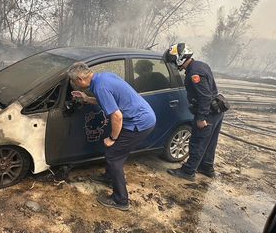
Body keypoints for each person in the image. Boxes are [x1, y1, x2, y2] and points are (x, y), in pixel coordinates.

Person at [67, 62, 156, 211]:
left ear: (80, 80)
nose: (74, 84)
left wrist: (112, 138)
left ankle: (121, 200)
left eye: (74, 82)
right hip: (140, 117)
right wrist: (86, 98)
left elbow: (117, 116)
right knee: (115, 152)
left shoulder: (100, 87)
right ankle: (109, 177)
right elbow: (109, 100)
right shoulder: (104, 77)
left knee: (113, 157)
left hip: (139, 123)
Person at [165, 43, 223, 181]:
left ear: (180, 58)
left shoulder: (194, 73)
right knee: (210, 142)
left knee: (198, 141)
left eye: (173, 61)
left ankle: (188, 172)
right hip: (216, 111)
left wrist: (201, 117)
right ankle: (206, 167)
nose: (173, 64)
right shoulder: (201, 65)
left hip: (207, 112)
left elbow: (204, 96)